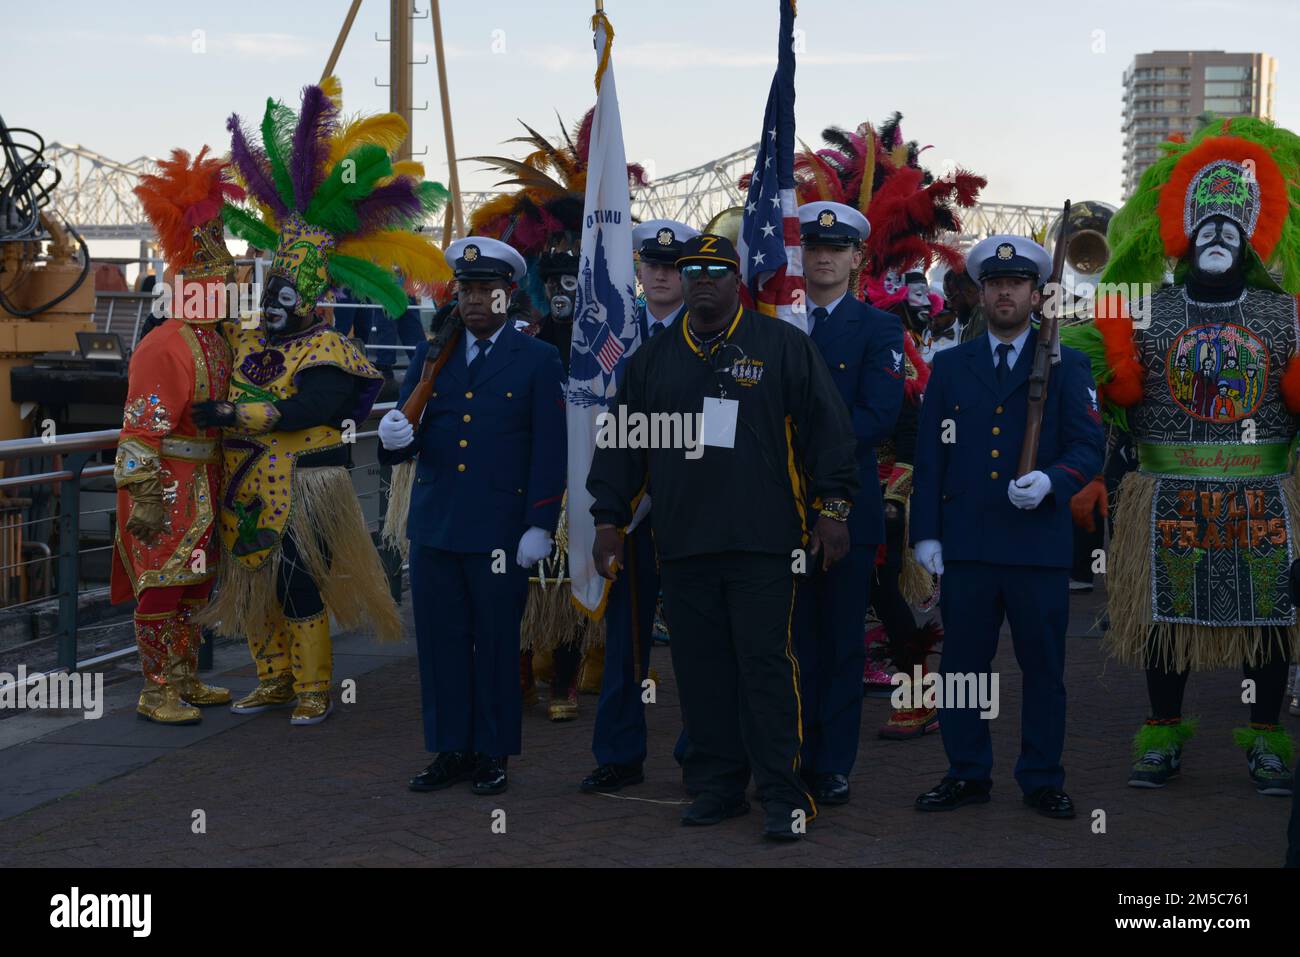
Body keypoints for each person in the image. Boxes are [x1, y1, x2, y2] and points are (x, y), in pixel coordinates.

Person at [588, 233, 859, 841]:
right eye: (693, 270)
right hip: (682, 544)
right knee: (701, 670)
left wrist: (833, 509)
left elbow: (829, 434)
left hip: (766, 542)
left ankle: (784, 793)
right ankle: (718, 786)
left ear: (738, 279)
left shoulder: (782, 345)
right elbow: (621, 447)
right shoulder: (651, 361)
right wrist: (607, 519)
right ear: (682, 281)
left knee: (765, 666)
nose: (703, 278)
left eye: (716, 269)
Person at [196, 77, 438, 724]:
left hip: (306, 484)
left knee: (300, 585)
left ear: (310, 296)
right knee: (251, 583)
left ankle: (311, 687)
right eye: (271, 292)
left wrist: (240, 415)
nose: (274, 306)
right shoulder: (245, 338)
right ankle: (271, 678)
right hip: (246, 484)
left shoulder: (330, 350)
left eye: (286, 296)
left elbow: (315, 408)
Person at [1095, 118, 1300, 796]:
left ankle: (1266, 740)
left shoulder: (1285, 315)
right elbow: (1112, 400)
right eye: (1205, 227)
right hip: (1170, 492)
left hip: (1260, 492)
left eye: (1229, 228)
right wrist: (1111, 378)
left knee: (1268, 620)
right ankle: (1161, 735)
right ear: (1184, 238)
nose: (1217, 237)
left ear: (1249, 239)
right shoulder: (1145, 311)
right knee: (1165, 621)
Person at [911, 234, 1104, 818]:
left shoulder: (1069, 364)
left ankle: (1042, 777)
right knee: (962, 669)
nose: (1003, 293)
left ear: (1034, 293)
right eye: (994, 284)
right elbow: (931, 456)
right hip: (968, 543)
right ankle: (967, 771)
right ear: (982, 291)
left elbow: (1088, 444)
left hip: (1037, 545)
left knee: (1043, 670)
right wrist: (926, 533)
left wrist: (1054, 480)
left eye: (1015, 284)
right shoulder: (950, 366)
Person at [378, 236, 566, 795]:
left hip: (501, 530)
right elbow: (408, 432)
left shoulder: (537, 358)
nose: (475, 300)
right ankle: (450, 749)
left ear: (509, 294)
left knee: (496, 644)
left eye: (487, 290)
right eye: (466, 289)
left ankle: (493, 753)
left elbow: (549, 448)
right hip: (437, 524)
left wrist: (539, 522)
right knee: (441, 645)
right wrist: (393, 438)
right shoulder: (433, 354)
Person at [112, 147, 243, 724]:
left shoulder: (214, 340)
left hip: (206, 479)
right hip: (167, 483)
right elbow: (141, 423)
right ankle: (155, 688)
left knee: (193, 586)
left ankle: (185, 679)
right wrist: (141, 493)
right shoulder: (165, 344)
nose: (226, 289)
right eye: (217, 281)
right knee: (163, 587)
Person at [790, 200, 903, 804]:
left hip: (842, 507)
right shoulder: (772, 321)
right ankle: (787, 753)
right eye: (813, 248)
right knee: (784, 643)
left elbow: (878, 415)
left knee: (838, 644)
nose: (824, 257)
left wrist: (793, 442)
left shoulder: (879, 329)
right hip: (776, 508)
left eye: (836, 249)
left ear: (857, 258)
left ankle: (832, 763)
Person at [581, 218, 698, 794]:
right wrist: (612, 509)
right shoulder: (613, 334)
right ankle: (619, 754)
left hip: (689, 516)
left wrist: (661, 488)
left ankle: (697, 753)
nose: (659, 274)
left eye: (672, 267)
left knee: (698, 644)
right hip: (627, 516)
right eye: (651, 264)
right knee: (624, 645)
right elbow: (604, 428)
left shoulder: (710, 335)